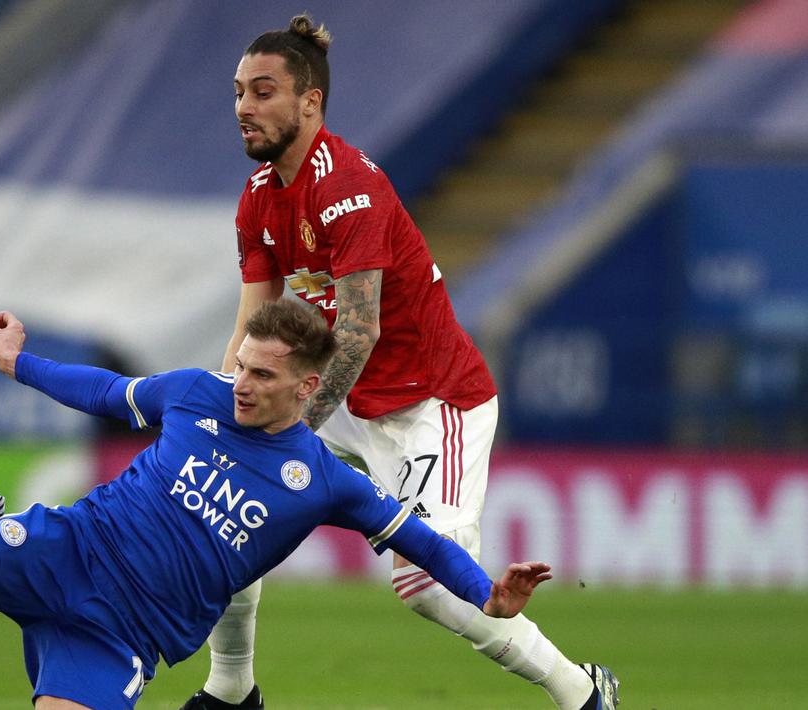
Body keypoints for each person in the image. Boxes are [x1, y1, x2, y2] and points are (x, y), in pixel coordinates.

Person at [0, 301, 553, 710]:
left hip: (126, 635)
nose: (242, 382)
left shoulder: (326, 479)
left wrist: (489, 596)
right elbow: (104, 392)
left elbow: (422, 542)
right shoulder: (195, 393)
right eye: (241, 364)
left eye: (264, 375)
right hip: (67, 548)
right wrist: (17, 365)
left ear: (306, 384)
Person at [182, 14, 619, 710]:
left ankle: (581, 691)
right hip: (349, 404)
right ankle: (232, 690)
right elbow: (254, 325)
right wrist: (226, 404)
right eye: (237, 92)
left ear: (310, 102)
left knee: (422, 585)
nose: (243, 107)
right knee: (223, 499)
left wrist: (286, 429)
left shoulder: (347, 186)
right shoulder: (259, 199)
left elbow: (356, 333)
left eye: (262, 91)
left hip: (431, 404)